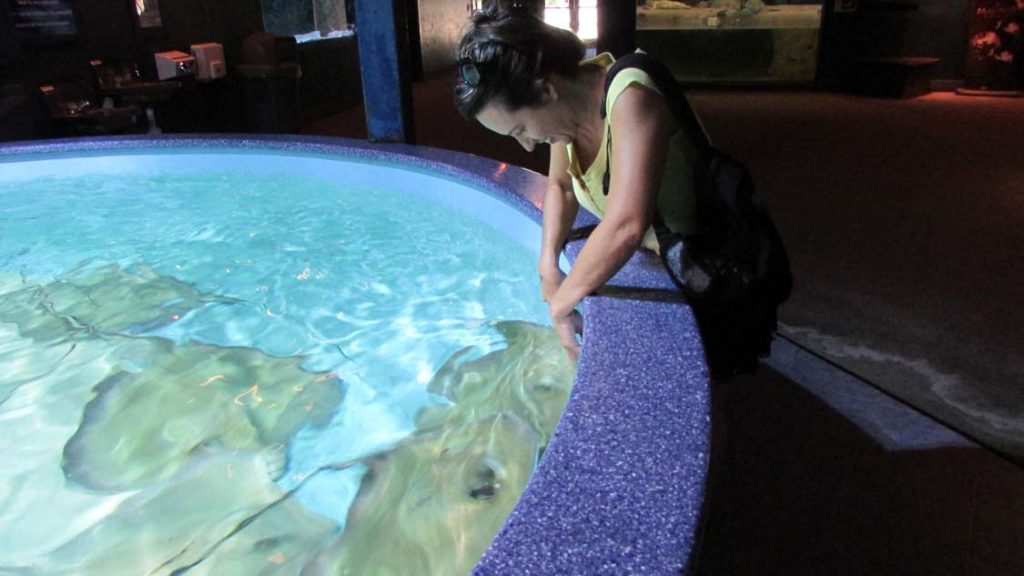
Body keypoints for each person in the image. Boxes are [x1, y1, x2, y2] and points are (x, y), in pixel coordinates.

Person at [454, 3, 784, 375]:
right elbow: (561, 187)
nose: (528, 145)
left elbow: (626, 225)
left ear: (546, 89)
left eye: (520, 130)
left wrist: (560, 306)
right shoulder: (567, 112)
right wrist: (548, 262)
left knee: (709, 391)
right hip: (661, 263)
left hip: (708, 270)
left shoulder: (630, 95)